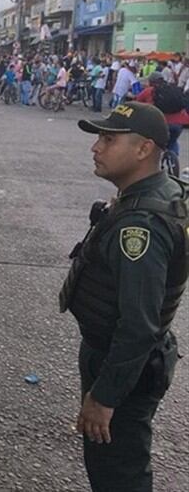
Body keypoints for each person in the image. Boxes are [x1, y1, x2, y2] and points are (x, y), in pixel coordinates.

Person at [61, 102, 185, 492]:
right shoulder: (161, 192)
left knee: (119, 473)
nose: (95, 147)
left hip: (124, 364)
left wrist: (105, 396)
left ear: (144, 149)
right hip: (124, 356)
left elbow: (138, 324)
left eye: (108, 139)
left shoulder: (141, 226)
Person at [135, 72, 189, 164]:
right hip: (179, 123)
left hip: (162, 122)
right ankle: (173, 160)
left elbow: (137, 102)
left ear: (151, 81)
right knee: (172, 142)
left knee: (154, 141)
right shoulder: (172, 88)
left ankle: (151, 162)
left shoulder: (150, 91)